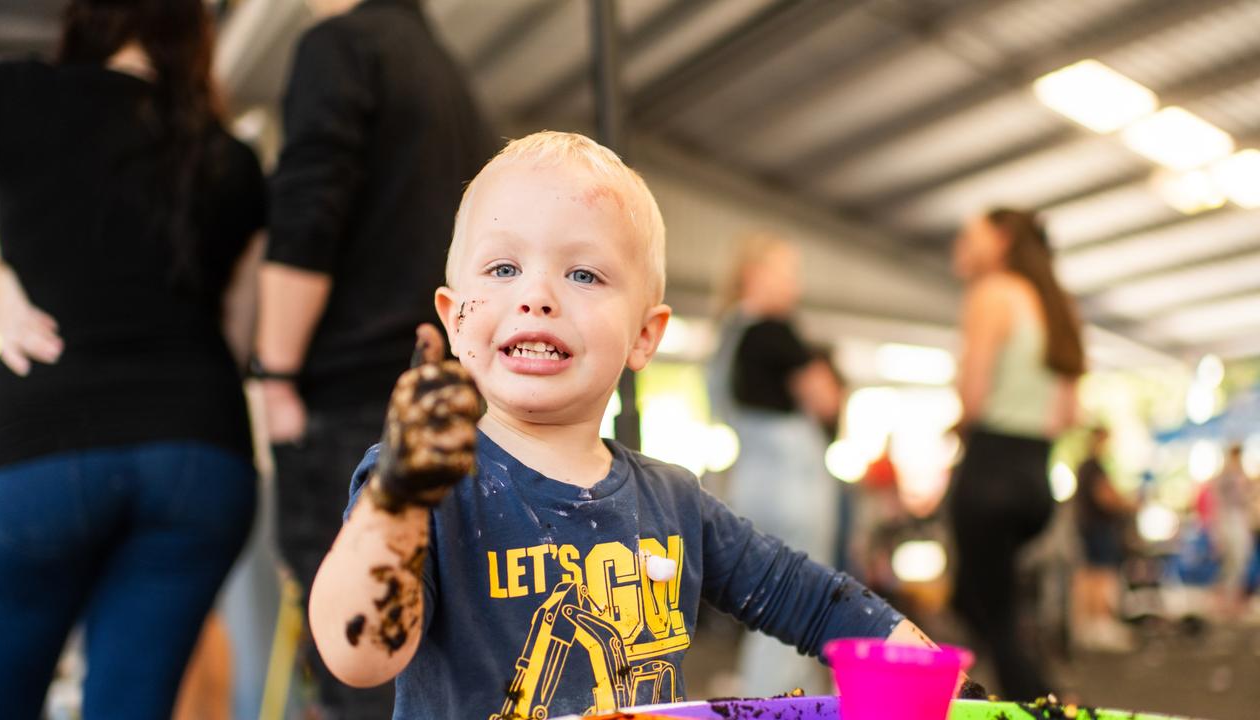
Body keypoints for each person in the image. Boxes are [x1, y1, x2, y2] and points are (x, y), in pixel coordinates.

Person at [306, 132, 941, 719]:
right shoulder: (423, 487)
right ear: (452, 318)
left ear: (644, 335)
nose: (537, 296)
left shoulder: (673, 500)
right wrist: (395, 504)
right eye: (503, 269)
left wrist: (938, 678)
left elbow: (802, 595)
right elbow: (358, 658)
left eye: (583, 273)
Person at [0, 1, 266, 717]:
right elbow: (238, 332)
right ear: (195, 38)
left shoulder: (15, 91)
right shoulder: (229, 156)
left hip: (41, 450)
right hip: (199, 457)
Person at [255, 0, 495, 714]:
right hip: (443, 405)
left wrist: (274, 375)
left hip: (353, 410)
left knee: (359, 664)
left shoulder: (340, 46)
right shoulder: (448, 76)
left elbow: (307, 216)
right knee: (439, 660)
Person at [948, 208, 1084, 700]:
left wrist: (958, 419)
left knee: (991, 616)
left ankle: (1042, 704)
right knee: (987, 605)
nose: (958, 248)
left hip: (990, 472)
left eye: (969, 236)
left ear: (1002, 239)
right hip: (1036, 478)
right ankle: (995, 694)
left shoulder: (992, 293)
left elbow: (973, 398)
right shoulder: (1057, 305)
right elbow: (1069, 412)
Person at [705, 234, 844, 696]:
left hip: (752, 481)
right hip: (793, 486)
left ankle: (781, 696)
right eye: (785, 274)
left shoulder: (728, 334)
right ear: (753, 276)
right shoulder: (774, 331)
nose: (794, 288)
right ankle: (774, 702)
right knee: (797, 601)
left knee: (768, 599)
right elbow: (826, 399)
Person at [1072, 427, 1135, 651]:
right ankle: (1101, 624)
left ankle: (1091, 626)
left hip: (1088, 527)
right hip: (1099, 528)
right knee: (1102, 574)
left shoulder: (1083, 466)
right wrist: (1126, 504)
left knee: (1090, 574)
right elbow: (1105, 496)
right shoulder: (1094, 466)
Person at [1208, 444, 1253, 620]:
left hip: (1237, 520)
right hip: (1229, 520)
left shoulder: (1239, 475)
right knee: (1231, 560)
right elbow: (1219, 503)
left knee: (1239, 560)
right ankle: (1224, 600)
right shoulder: (1226, 477)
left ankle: (1232, 599)